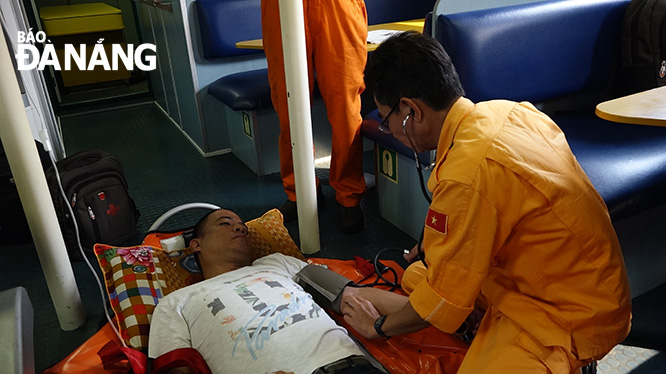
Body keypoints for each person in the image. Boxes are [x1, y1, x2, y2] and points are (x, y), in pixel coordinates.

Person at [341, 31, 632, 374]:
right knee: (417, 274)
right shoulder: (507, 112)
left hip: (567, 312)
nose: (390, 132)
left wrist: (376, 328)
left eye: (388, 122)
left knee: (435, 293)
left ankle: (568, 361)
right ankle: (482, 318)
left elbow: (442, 294)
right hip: (537, 273)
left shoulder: (468, 172)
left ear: (410, 110)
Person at [147, 208, 386, 374]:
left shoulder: (278, 262)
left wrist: (418, 310)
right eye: (226, 223)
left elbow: (352, 295)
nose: (240, 229)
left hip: (353, 367)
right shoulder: (176, 301)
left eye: (243, 227)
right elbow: (177, 369)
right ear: (196, 244)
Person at [261, 0, 367, 233]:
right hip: (281, 7)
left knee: (346, 112)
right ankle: (300, 189)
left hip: (336, 8)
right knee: (289, 108)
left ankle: (348, 194)